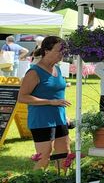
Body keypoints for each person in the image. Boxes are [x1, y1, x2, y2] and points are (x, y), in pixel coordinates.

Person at [18, 36, 70, 169]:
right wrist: (50, 102)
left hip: (60, 118)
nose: (62, 53)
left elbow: (57, 94)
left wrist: (64, 115)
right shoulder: (34, 72)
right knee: (44, 157)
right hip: (41, 120)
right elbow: (22, 97)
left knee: (65, 155)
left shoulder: (57, 69)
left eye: (64, 50)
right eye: (59, 50)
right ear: (46, 51)